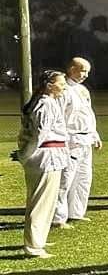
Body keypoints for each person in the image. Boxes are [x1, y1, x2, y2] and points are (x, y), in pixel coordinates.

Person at [19, 70, 69, 258]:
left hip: (46, 156)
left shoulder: (44, 102)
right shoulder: (45, 104)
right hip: (45, 157)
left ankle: (37, 238)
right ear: (49, 86)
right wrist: (25, 154)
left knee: (43, 201)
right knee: (40, 202)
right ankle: (33, 246)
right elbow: (39, 135)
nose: (63, 87)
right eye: (61, 83)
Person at [53, 57, 102, 227]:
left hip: (85, 140)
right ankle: (58, 217)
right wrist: (63, 140)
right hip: (71, 140)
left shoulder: (82, 90)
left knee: (83, 178)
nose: (85, 75)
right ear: (72, 68)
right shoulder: (63, 90)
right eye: (83, 71)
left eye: (87, 72)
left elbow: (88, 114)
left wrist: (95, 135)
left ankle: (76, 212)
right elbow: (59, 118)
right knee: (65, 180)